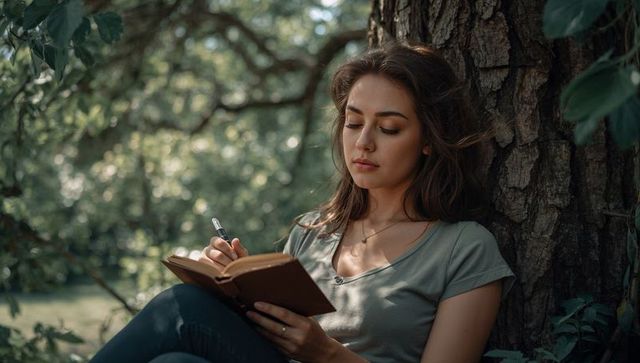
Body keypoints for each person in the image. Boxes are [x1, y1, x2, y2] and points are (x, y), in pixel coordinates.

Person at [90, 41, 515, 363]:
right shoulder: (315, 231)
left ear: (428, 140)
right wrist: (235, 288)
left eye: (388, 128)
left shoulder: (464, 248)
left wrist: (327, 354)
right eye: (353, 123)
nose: (363, 143)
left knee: (181, 307)